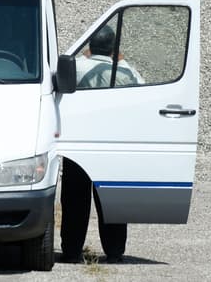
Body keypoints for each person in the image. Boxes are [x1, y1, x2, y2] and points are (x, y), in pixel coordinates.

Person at [61, 26, 140, 264]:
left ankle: (72, 251)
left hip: (78, 144)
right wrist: (121, 60)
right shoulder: (126, 72)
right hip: (112, 145)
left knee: (75, 201)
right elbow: (142, 91)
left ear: (89, 47)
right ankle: (114, 251)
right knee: (112, 200)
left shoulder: (77, 67)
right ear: (113, 49)